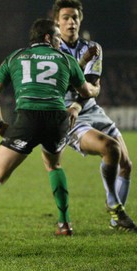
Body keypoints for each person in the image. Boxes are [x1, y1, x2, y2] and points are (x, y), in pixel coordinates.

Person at [0, 18, 100, 238]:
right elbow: (85, 91)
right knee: (54, 166)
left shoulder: (15, 57)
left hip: (27, 118)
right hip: (58, 119)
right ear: (48, 37)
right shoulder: (65, 59)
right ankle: (65, 224)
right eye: (57, 37)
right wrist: (95, 89)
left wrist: (0, 124)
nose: (60, 42)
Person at [52, 0, 136, 232]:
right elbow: (63, 87)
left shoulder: (93, 48)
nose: (71, 22)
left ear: (81, 20)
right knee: (110, 148)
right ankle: (114, 205)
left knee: (126, 165)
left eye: (75, 18)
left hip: (91, 109)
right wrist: (81, 68)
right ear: (56, 21)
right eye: (66, 17)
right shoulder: (51, 52)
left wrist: (83, 97)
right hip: (69, 114)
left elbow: (89, 85)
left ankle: (115, 221)